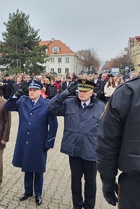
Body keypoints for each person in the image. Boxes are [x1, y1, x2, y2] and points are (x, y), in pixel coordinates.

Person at [96, 66, 140, 208]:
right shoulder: (128, 91)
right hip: (138, 184)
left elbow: (107, 142)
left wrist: (107, 180)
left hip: (138, 186)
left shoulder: (128, 91)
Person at [48, 79, 105, 209]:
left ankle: (89, 206)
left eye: (85, 91)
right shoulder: (69, 103)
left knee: (90, 182)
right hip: (73, 149)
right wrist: (64, 93)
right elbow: (51, 107)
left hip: (91, 150)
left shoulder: (101, 107)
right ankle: (77, 205)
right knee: (75, 180)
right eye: (80, 91)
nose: (82, 94)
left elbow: (107, 130)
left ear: (92, 92)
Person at [4, 79, 58, 205]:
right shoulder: (23, 101)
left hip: (39, 142)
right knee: (27, 166)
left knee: (38, 169)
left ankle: (38, 193)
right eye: (30, 90)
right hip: (25, 140)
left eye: (34, 90)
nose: (31, 92)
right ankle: (28, 191)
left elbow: (53, 126)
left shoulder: (47, 104)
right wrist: (16, 94)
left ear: (41, 91)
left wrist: (49, 143)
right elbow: (7, 106)